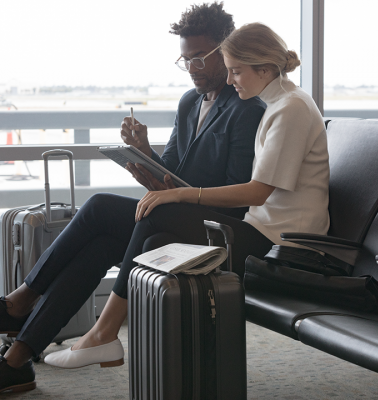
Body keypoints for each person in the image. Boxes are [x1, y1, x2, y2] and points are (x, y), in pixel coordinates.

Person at [0, 3, 266, 394]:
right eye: (185, 58)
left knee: (99, 207)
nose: (191, 67)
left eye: (199, 58)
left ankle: (19, 302)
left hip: (214, 227)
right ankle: (17, 359)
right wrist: (144, 155)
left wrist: (170, 189)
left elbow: (236, 197)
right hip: (176, 213)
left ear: (226, 51)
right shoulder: (190, 103)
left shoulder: (246, 108)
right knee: (101, 244)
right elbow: (173, 172)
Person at [43, 20, 329, 369]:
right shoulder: (279, 104)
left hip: (281, 245)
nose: (229, 80)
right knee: (155, 239)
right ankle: (150, 358)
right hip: (263, 232)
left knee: (160, 213)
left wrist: (179, 195)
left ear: (265, 68)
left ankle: (104, 333)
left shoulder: (290, 109)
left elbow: (257, 192)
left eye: (236, 71)